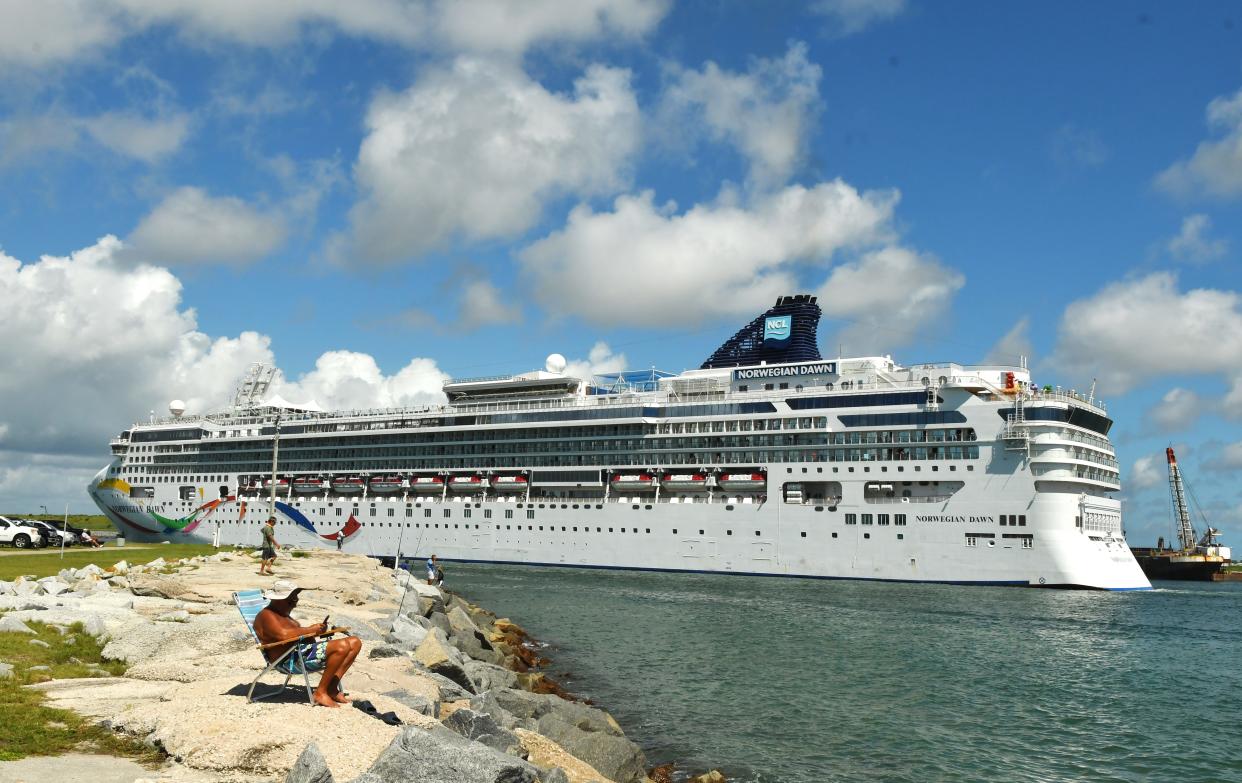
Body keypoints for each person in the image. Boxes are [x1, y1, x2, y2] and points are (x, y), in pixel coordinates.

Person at [252, 581, 362, 709]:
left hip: (299, 653)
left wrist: (316, 630)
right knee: (342, 646)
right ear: (280, 599)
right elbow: (283, 635)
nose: (296, 600)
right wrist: (311, 630)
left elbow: (295, 635)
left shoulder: (282, 615)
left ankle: (331, 688)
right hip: (288, 661)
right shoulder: (266, 615)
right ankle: (320, 693)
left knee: (355, 642)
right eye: (292, 597)